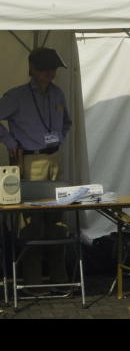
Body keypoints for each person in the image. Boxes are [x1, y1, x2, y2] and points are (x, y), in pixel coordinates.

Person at [0, 48, 72, 294]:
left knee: (58, 219)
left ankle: (59, 278)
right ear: (32, 69)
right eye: (44, 69)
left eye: (53, 68)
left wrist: (59, 139)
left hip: (55, 158)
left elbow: (67, 122)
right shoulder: (16, 96)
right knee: (32, 222)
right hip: (31, 160)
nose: (49, 73)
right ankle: (33, 281)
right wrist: (10, 142)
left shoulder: (58, 93)